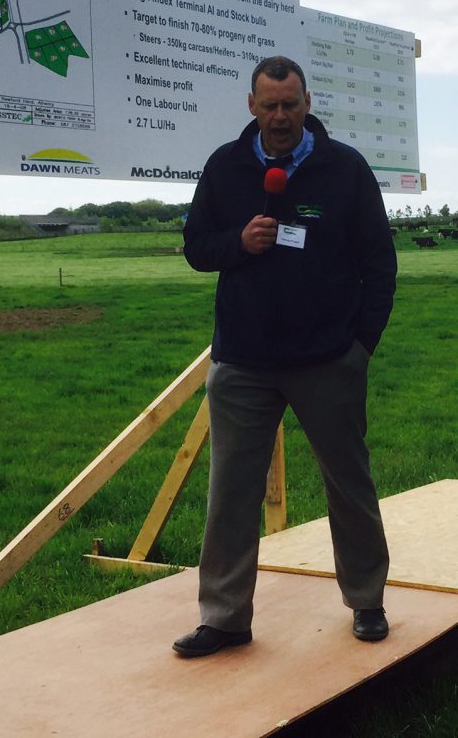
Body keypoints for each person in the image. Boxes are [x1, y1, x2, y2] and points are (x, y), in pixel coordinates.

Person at [176, 55, 397, 658]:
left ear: (307, 103)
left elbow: (379, 263)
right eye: (269, 105)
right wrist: (239, 244)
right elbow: (196, 246)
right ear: (251, 105)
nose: (280, 116)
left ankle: (367, 600)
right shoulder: (224, 167)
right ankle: (224, 618)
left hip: (328, 359)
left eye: (290, 104)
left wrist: (360, 347)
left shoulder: (343, 169)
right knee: (230, 492)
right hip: (243, 360)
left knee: (348, 482)